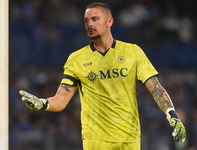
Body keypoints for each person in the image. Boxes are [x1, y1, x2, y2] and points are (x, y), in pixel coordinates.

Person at [19, 2, 186, 150]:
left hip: (129, 138)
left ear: (109, 22)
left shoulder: (132, 52)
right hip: (96, 139)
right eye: (86, 21)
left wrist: (172, 113)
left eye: (94, 19)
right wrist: (43, 103)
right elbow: (61, 99)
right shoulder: (76, 59)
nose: (89, 24)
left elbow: (155, 87)